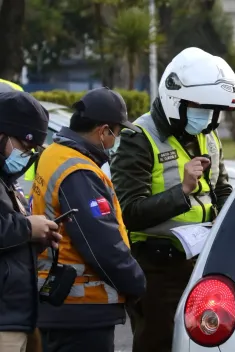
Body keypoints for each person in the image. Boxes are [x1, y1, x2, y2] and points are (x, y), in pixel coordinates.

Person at [110, 47, 235, 352]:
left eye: (212, 109)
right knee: (159, 342)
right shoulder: (139, 137)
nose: (207, 115)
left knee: (204, 341)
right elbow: (129, 212)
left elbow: (220, 188)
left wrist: (233, 217)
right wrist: (182, 191)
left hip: (201, 263)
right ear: (175, 99)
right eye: (200, 106)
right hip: (156, 267)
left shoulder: (207, 135)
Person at [30, 87, 146, 352]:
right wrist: (136, 282)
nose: (115, 139)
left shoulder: (54, 154)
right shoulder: (79, 171)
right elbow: (102, 245)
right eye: (116, 132)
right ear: (103, 131)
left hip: (59, 301)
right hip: (81, 309)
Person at [0, 91, 62, 352]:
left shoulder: (7, 182)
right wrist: (27, 228)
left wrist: (37, 239)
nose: (28, 156)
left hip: (19, 316)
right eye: (25, 147)